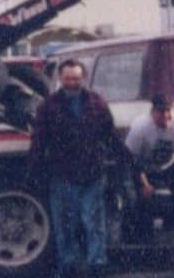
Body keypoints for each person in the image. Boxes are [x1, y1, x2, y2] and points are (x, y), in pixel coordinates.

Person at [28, 60, 127, 278]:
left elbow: (110, 135)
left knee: (94, 225)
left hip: (93, 174)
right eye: (68, 78)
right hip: (62, 176)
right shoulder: (48, 106)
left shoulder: (97, 102)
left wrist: (126, 160)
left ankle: (97, 265)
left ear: (83, 78)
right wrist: (34, 171)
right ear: (60, 79)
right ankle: (68, 267)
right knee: (65, 227)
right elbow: (39, 141)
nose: (72, 83)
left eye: (76, 78)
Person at [123, 95, 174, 244]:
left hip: (172, 164)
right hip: (145, 166)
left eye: (169, 111)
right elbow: (130, 158)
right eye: (161, 112)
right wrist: (144, 184)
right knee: (144, 201)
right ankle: (144, 245)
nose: (166, 115)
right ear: (152, 113)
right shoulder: (140, 127)